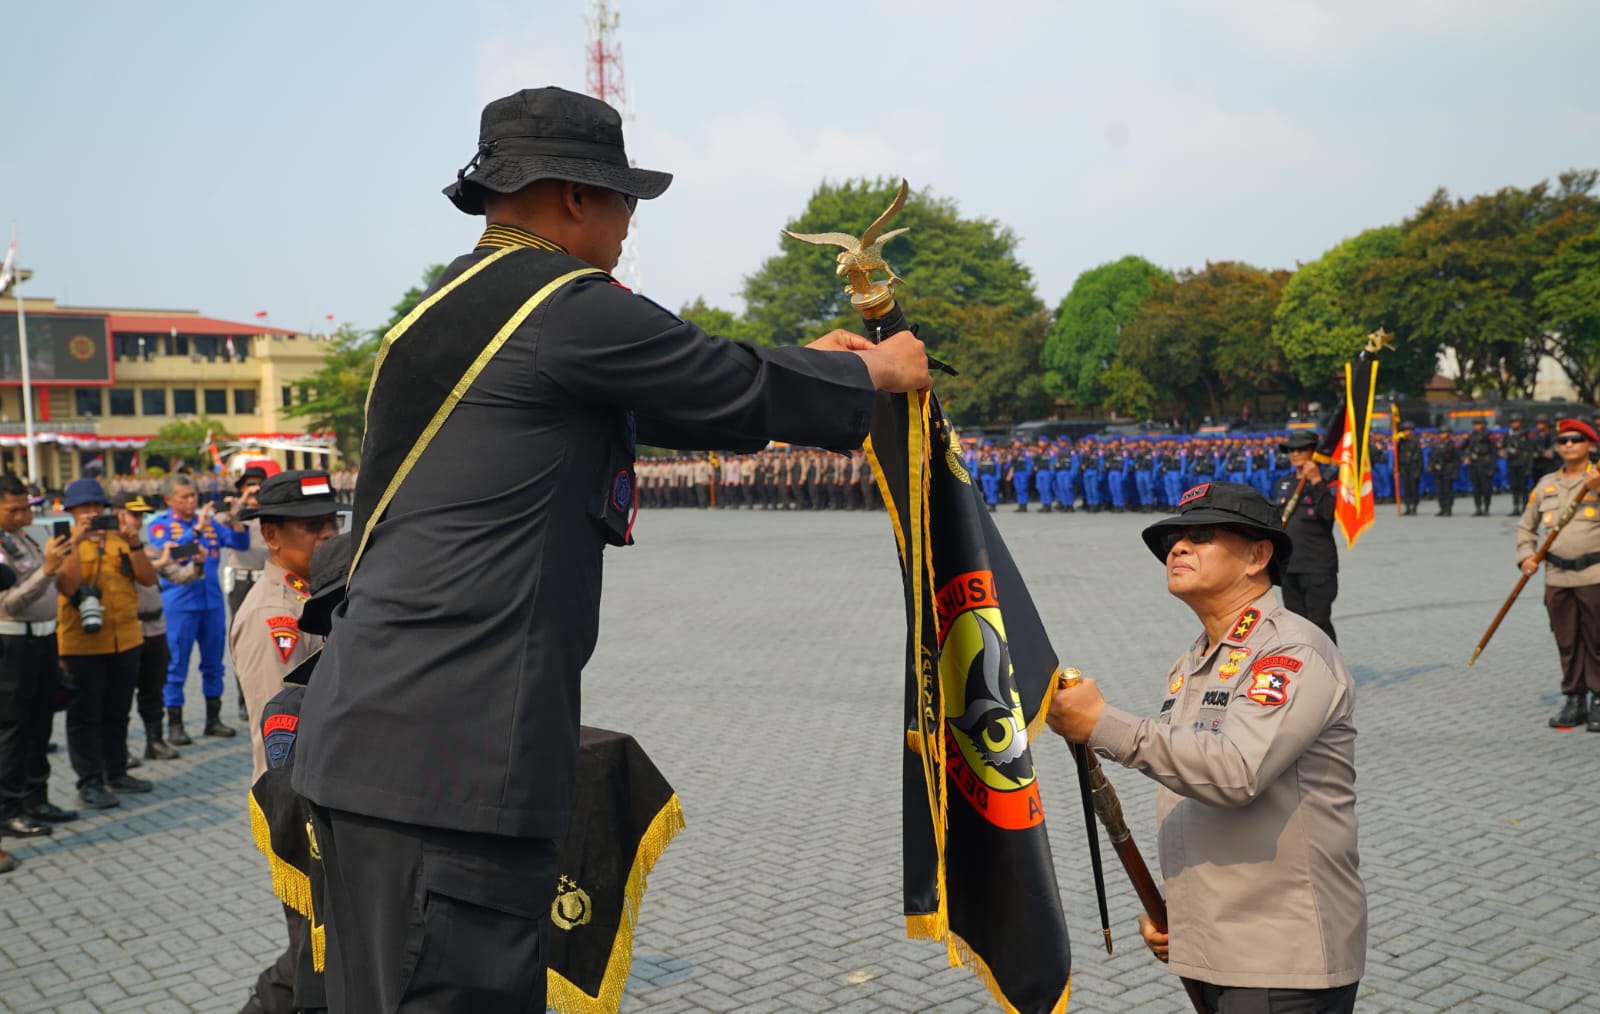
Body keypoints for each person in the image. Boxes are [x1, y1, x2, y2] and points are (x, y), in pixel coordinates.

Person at [291, 85, 929, 1011]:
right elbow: (716, 378)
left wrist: (812, 366)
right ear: (577, 197)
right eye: (625, 198)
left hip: (371, 751)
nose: (631, 222)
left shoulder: (449, 305)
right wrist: (871, 371)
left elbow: (675, 380)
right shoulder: (564, 302)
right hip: (451, 774)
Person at [1046, 481, 1364, 1012]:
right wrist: (1184, 919)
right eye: (1172, 539)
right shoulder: (1195, 659)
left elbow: (1234, 772)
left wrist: (1103, 723)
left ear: (1258, 556)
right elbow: (1195, 792)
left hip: (1280, 958)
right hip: (1224, 945)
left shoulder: (1290, 651)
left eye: (1199, 535)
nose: (1177, 548)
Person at [232, 471, 342, 1014]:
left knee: (324, 949)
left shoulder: (321, 594)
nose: (327, 535)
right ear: (272, 536)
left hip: (331, 791)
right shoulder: (269, 614)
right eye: (311, 527)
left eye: (331, 522)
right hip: (299, 801)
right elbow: (282, 729)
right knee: (310, 950)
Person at [55, 477, 159, 810]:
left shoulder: (120, 540)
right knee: (85, 717)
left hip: (125, 639)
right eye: (84, 507)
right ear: (70, 510)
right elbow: (68, 587)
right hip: (82, 645)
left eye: (97, 506)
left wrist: (136, 544)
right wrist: (75, 541)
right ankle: (89, 782)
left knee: (117, 710)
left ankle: (116, 771)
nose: (92, 512)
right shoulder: (63, 543)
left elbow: (148, 578)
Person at [0, 474, 77, 844]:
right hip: (13, 647)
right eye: (12, 509)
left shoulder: (26, 538)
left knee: (40, 724)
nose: (21, 514)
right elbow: (11, 604)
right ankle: (9, 810)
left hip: (44, 641)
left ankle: (36, 799)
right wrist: (46, 569)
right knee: (14, 730)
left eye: (23, 507)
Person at [149, 474, 251, 745]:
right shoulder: (161, 526)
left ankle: (213, 718)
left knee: (214, 664)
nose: (191, 500)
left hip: (212, 603)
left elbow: (241, 544)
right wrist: (195, 530)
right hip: (180, 604)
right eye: (184, 496)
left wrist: (235, 517)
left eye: (193, 495)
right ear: (168, 499)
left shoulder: (209, 525)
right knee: (175, 664)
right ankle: (175, 722)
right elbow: (170, 555)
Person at [1517, 418, 1600, 731]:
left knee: (1597, 639)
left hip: (1594, 574)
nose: (1568, 445)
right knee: (1566, 639)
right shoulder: (1546, 484)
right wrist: (1526, 555)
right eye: (1563, 440)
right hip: (1557, 576)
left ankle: (1599, 698)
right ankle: (1574, 698)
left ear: (1590, 445)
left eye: (1576, 439)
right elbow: (1526, 524)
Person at [117, 494, 199, 762]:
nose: (138, 520)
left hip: (155, 627)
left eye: (141, 515)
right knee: (122, 692)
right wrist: (159, 563)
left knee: (154, 688)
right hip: (127, 628)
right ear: (118, 514)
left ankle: (154, 741)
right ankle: (118, 750)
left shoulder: (149, 547)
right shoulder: (110, 549)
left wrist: (197, 562)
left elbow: (179, 576)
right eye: (133, 514)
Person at [1273, 431, 1339, 643]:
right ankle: (1305, 672)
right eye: (1292, 450)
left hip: (1317, 566)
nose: (1295, 453)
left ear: (1314, 452)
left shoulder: (1328, 482)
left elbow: (1329, 515)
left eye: (1301, 449)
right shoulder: (1284, 483)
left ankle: (1330, 671)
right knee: (1296, 625)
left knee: (1318, 623)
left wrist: (1317, 480)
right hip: (1290, 566)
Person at [225, 467, 270, 721]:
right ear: (240, 488)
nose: (254, 489)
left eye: (259, 484)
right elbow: (223, 527)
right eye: (248, 484)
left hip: (268, 579)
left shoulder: (272, 512)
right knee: (243, 642)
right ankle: (244, 699)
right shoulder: (232, 511)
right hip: (242, 582)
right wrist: (240, 506)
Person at [1463, 417, 1497, 516]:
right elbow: (1462, 448)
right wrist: (1465, 457)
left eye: (1479, 424)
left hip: (1485, 464)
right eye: (1475, 424)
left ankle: (1486, 508)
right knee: (1475, 487)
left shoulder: (1488, 435)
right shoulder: (1471, 435)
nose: (1477, 426)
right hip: (1474, 464)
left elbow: (1493, 452)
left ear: (1483, 425)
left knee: (1486, 488)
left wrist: (1492, 467)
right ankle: (1478, 508)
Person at [1430, 431, 1462, 517]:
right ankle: (1442, 508)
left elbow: (1457, 458)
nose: (1442, 435)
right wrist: (1431, 465)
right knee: (1440, 490)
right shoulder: (1436, 445)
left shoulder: (1453, 445)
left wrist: (1454, 469)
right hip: (1438, 470)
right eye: (1440, 433)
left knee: (1448, 490)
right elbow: (1432, 456)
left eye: (1444, 433)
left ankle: (1448, 508)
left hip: (1448, 470)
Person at [1395, 420, 1424, 515]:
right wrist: (1396, 442)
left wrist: (1418, 470)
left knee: (1413, 488)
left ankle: (1414, 507)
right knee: (1406, 488)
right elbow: (1397, 454)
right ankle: (1407, 506)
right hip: (1404, 467)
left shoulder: (1416, 441)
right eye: (1404, 430)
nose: (1406, 432)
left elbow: (1420, 457)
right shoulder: (1401, 442)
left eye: (1408, 430)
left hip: (1413, 466)